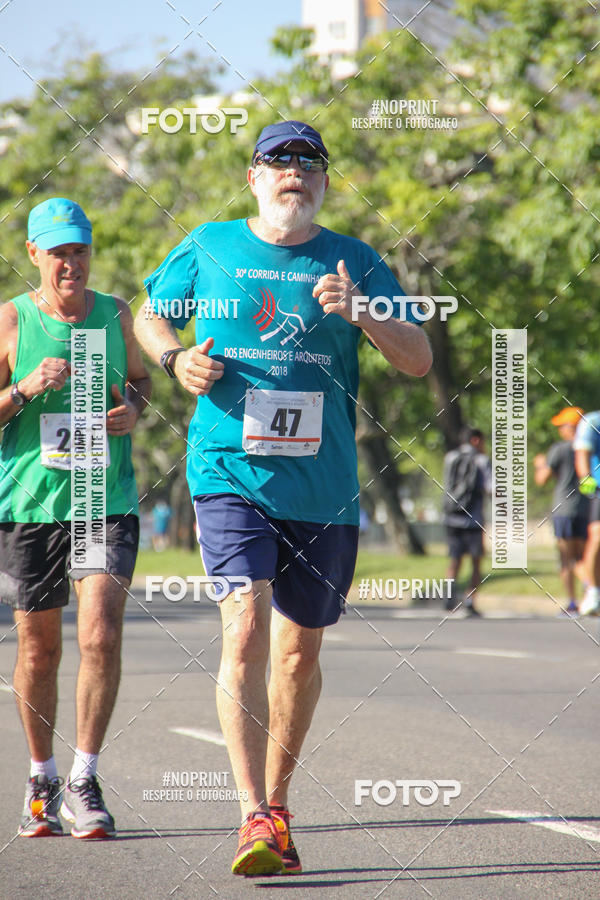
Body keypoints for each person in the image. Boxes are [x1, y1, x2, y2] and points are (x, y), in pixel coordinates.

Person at [134, 120, 432, 876]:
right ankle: (251, 814)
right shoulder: (208, 244)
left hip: (324, 488)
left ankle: (280, 801)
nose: (293, 172)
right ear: (253, 177)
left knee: (297, 654)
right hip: (227, 471)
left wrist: (361, 310)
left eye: (308, 162)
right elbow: (148, 314)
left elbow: (420, 360)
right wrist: (173, 360)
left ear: (324, 181)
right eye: (279, 161)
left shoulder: (354, 260)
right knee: (244, 629)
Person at [0, 198, 150, 839]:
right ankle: (42, 775)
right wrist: (24, 389)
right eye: (58, 251)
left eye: (80, 250)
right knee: (39, 647)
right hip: (29, 505)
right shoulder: (10, 321)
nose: (71, 263)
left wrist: (133, 410)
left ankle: (84, 779)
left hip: (103, 500)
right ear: (34, 254)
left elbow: (140, 380)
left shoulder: (116, 315)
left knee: (100, 635)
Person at [534, 407, 588, 614]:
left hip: (564, 510)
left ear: (571, 427)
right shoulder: (591, 447)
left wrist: (540, 465)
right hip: (587, 509)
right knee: (584, 558)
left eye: (562, 426)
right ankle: (589, 599)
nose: (560, 431)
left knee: (568, 560)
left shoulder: (560, 449)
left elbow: (541, 479)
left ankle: (574, 602)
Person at [442, 426, 492, 616]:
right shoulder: (481, 460)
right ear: (476, 440)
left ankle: (448, 597)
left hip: (451, 517)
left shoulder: (450, 458)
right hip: (473, 520)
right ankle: (470, 601)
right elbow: (491, 487)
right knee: (476, 562)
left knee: (454, 560)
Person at [573, 409, 600, 615]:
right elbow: (582, 453)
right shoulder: (592, 421)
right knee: (597, 537)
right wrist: (585, 477)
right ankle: (593, 590)